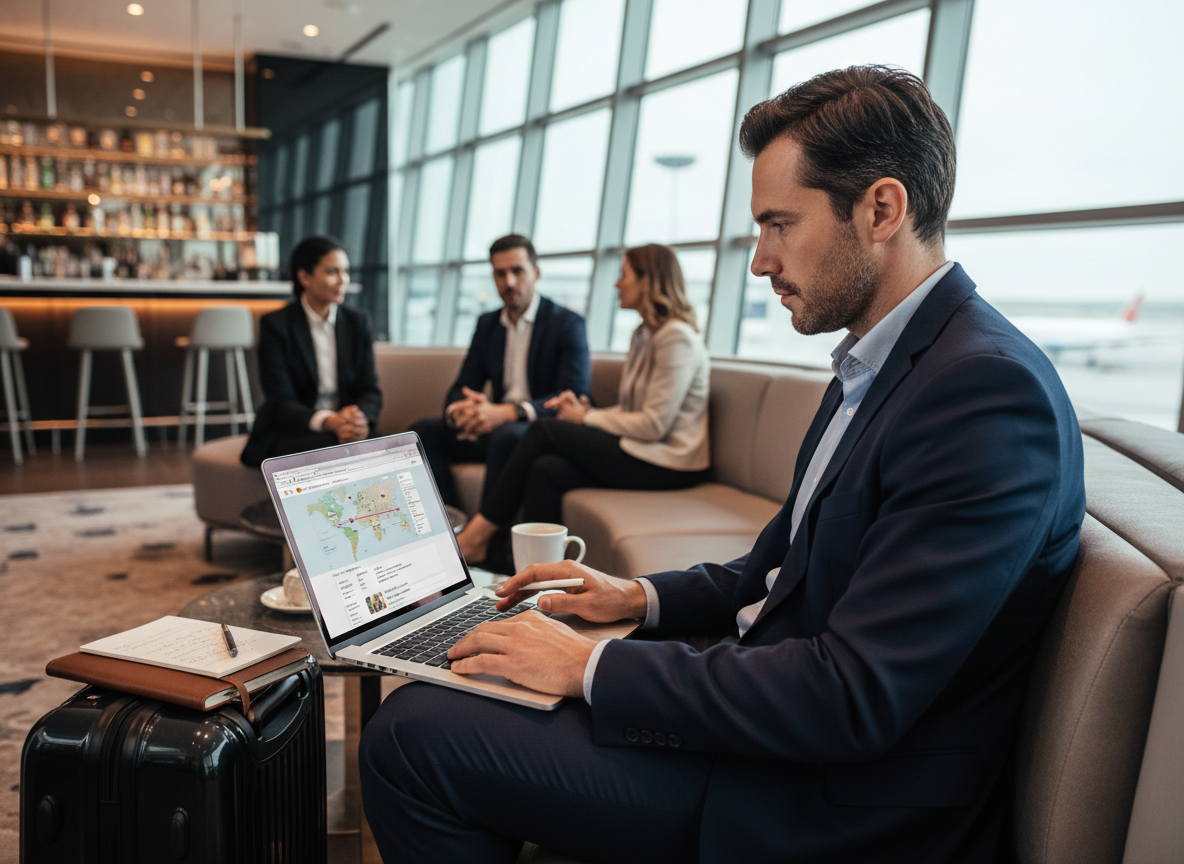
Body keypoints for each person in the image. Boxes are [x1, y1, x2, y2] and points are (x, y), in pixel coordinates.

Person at [358, 66, 1086, 863]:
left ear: (881, 209)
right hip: (763, 727)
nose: (759, 262)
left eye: (780, 224)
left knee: (409, 736)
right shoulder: (886, 367)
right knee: (470, 682)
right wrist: (633, 597)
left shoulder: (983, 394)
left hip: (820, 798)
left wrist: (592, 667)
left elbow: (855, 697)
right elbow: (784, 573)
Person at [454, 243, 711, 565]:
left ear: (648, 281)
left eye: (624, 275)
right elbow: (632, 410)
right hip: (644, 448)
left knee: (544, 430)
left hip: (670, 463)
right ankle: (534, 573)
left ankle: (477, 536)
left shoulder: (677, 338)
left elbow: (653, 425)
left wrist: (585, 417)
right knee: (545, 469)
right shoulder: (645, 334)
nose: (617, 283)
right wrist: (582, 415)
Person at [410, 234, 591, 517]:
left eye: (517, 271)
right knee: (422, 432)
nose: (509, 282)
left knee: (506, 436)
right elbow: (463, 385)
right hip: (493, 426)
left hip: (536, 430)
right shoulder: (488, 324)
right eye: (500, 273)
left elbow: (573, 393)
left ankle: (489, 546)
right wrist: (461, 411)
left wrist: (506, 413)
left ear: (536, 272)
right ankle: (450, 522)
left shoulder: (567, 323)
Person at [240, 236, 381, 467]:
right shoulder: (276, 325)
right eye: (332, 272)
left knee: (389, 447)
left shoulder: (358, 322)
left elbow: (371, 390)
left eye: (345, 271)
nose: (342, 280)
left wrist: (357, 419)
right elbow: (280, 401)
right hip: (295, 428)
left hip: (345, 429)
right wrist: (328, 421)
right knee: (329, 448)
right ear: (304, 276)